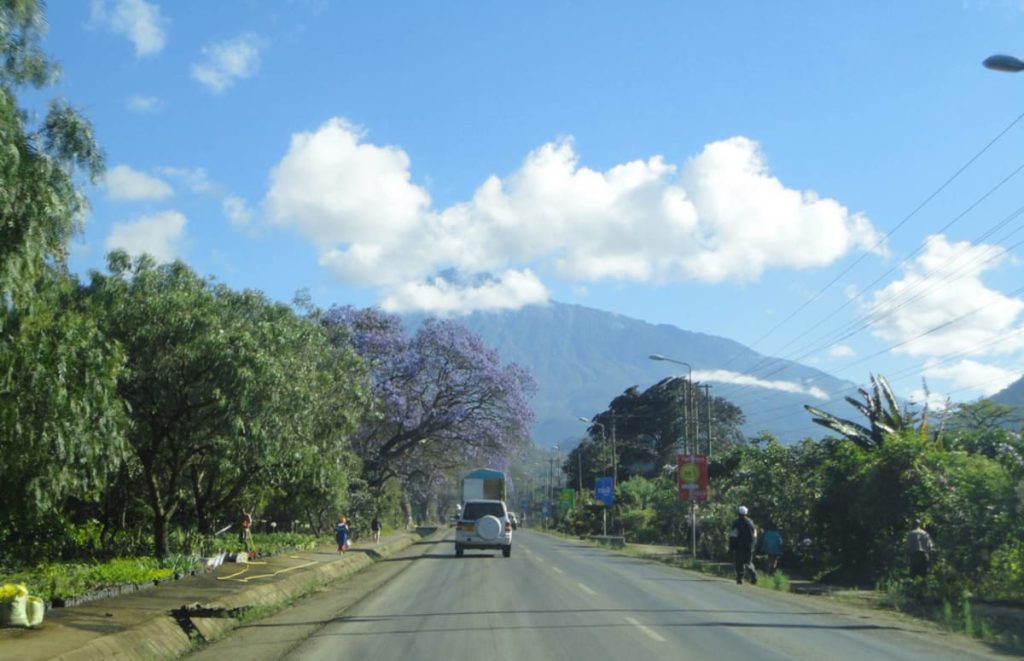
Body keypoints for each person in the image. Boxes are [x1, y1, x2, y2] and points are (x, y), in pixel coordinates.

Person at [729, 505, 758, 585]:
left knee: (739, 563)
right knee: (748, 562)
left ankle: (739, 578)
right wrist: (753, 546)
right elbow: (755, 535)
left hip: (739, 546)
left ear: (738, 513)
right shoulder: (751, 523)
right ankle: (753, 576)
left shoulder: (736, 523)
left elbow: (733, 535)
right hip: (749, 546)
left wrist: (731, 547)